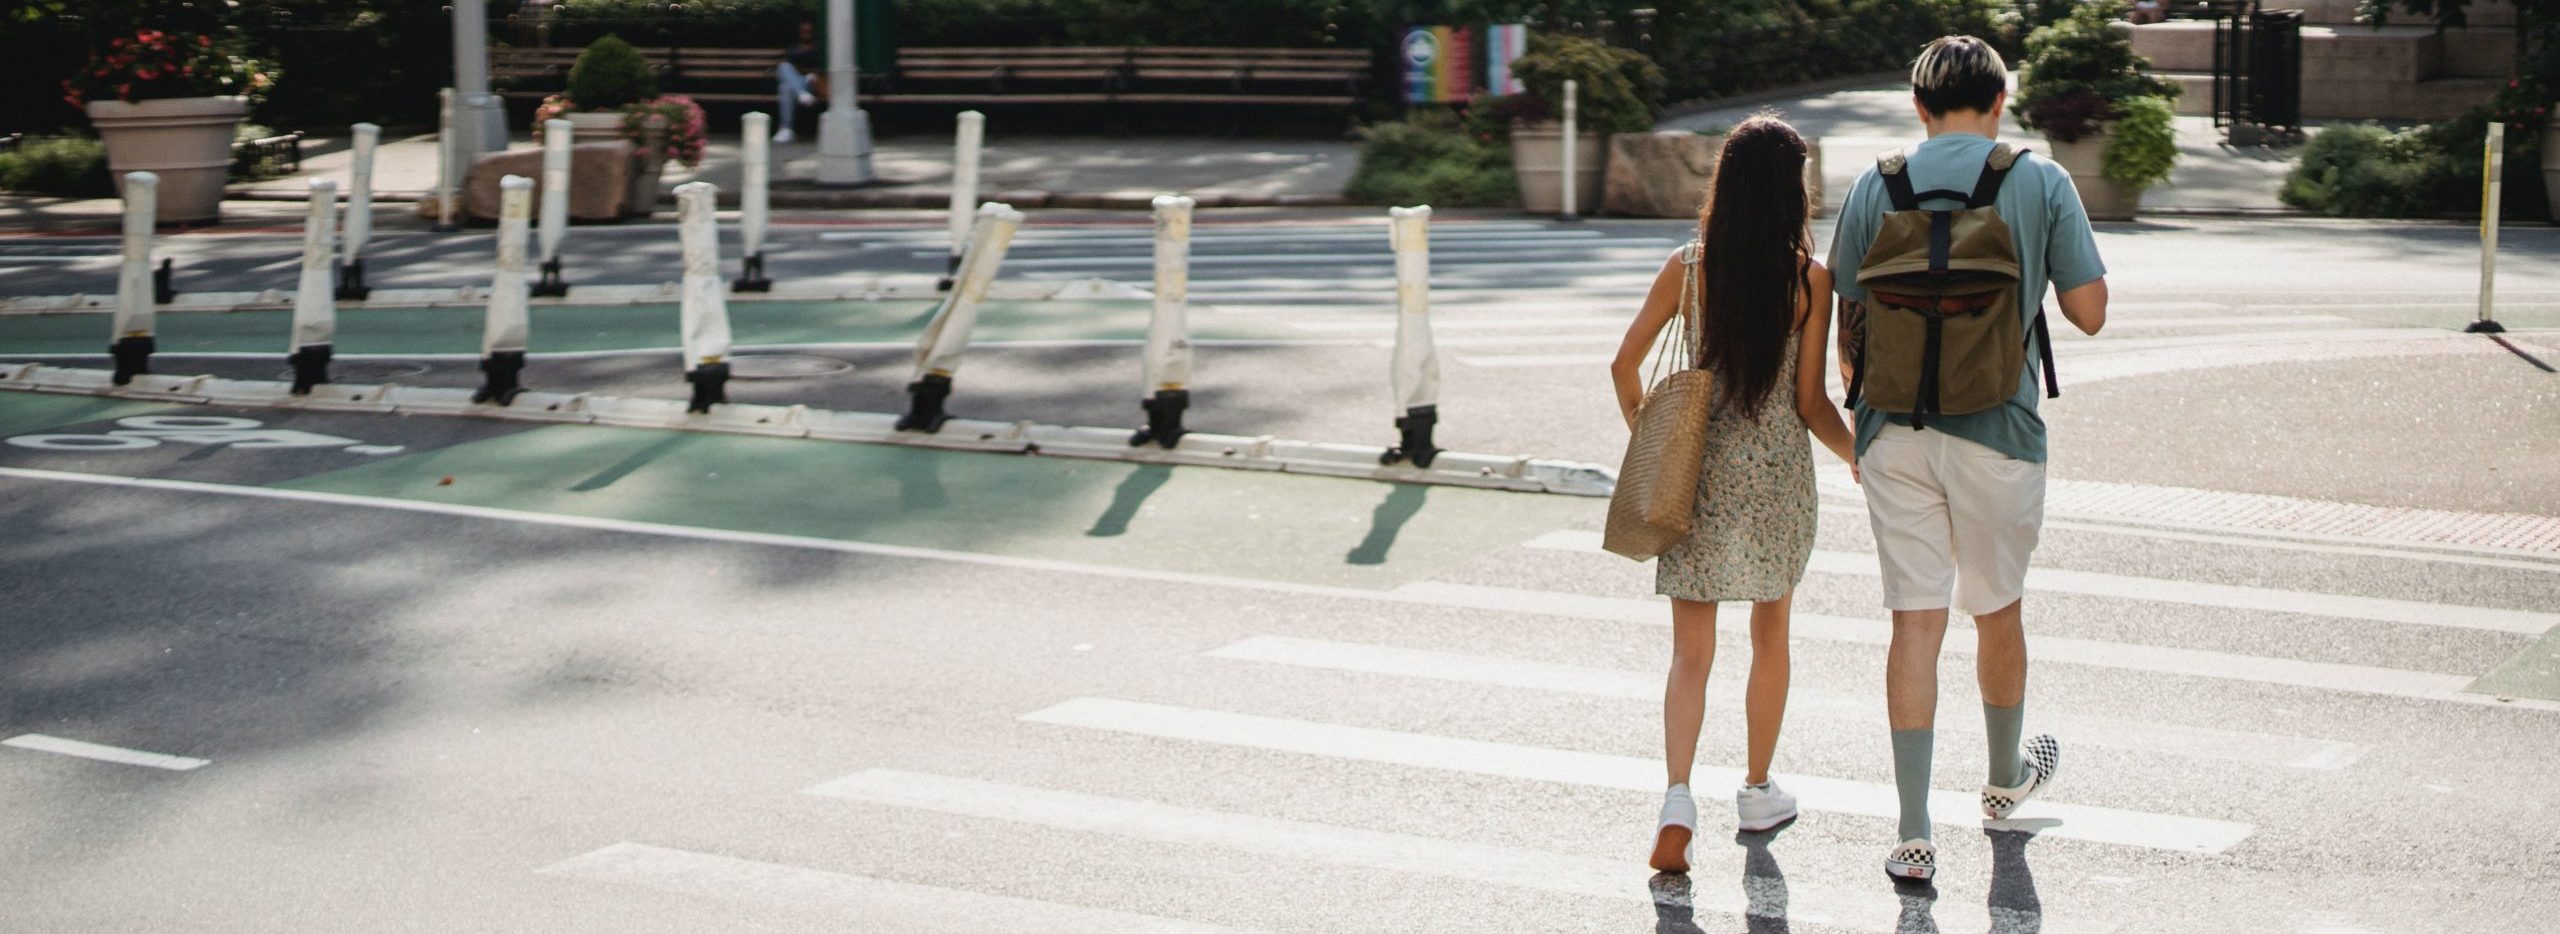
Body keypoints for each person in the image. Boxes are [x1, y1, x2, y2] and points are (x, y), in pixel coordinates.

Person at [1825, 35, 2109, 883]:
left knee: (1914, 622)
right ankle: (1999, 782)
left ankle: (1913, 832)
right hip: (1999, 432)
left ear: (1917, 107)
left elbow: (1849, 322)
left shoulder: (1876, 184)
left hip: (1891, 434)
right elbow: (2089, 313)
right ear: (2001, 101)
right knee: (1997, 610)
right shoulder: (2041, 179)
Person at [1609, 114, 1859, 874]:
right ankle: (1755, 788)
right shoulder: (1808, 281)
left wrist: (1651, 438)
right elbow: (1813, 403)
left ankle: (1678, 797)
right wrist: (1859, 459)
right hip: (1777, 481)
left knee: (1691, 653)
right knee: (1769, 638)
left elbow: (1624, 365)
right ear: (1791, 190)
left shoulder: (1687, 267)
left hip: (1699, 480)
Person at [773, 21, 822, 143]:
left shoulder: (819, 48)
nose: (806, 34)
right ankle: (801, 94)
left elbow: (818, 68)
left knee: (785, 85)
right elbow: (786, 63)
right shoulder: (793, 48)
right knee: (784, 76)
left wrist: (805, 71)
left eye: (808, 32)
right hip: (800, 84)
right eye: (803, 32)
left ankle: (786, 128)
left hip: (811, 82)